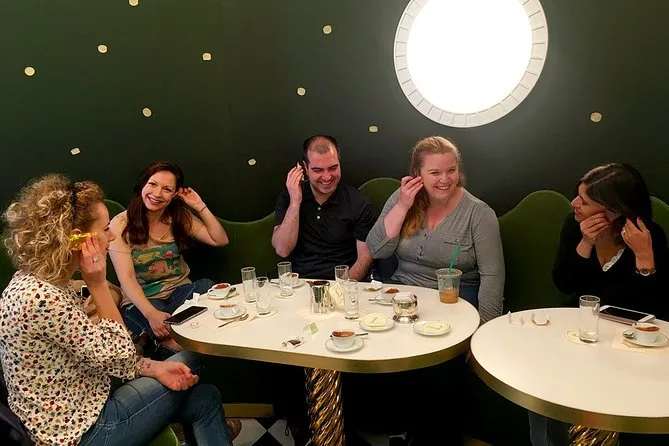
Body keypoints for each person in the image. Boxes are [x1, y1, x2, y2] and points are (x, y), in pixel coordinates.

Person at [0, 174, 231, 445]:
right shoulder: (42, 299)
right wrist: (97, 283)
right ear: (78, 240)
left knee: (206, 398)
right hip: (82, 431)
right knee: (200, 353)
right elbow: (120, 354)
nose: (111, 236)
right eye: (105, 229)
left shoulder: (41, 281)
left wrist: (153, 367)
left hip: (88, 402)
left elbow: (99, 353)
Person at [530, 163, 669, 446]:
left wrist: (644, 258)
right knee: (538, 379)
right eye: (577, 195)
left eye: (584, 202)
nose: (574, 203)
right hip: (582, 328)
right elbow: (564, 283)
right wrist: (585, 243)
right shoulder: (574, 225)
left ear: (613, 211)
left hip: (628, 339)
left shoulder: (649, 236)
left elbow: (652, 308)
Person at [366, 136, 504, 323]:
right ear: (418, 173)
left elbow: (492, 280)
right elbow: (377, 250)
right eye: (435, 172)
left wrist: (484, 331)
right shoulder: (403, 197)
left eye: (451, 170)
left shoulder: (479, 213)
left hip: (455, 302)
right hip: (404, 296)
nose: (445, 179)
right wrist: (402, 206)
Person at [109, 161, 228, 353]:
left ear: (174, 195)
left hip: (180, 293)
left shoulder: (179, 217)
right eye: (152, 184)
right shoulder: (121, 224)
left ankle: (164, 340)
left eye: (167, 189)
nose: (157, 194)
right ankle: (172, 343)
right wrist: (151, 314)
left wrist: (199, 206)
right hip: (143, 301)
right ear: (143, 185)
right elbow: (126, 278)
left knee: (206, 285)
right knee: (166, 331)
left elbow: (219, 240)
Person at [272, 135, 375, 280]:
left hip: (341, 282)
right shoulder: (289, 196)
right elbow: (282, 249)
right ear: (305, 168)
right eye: (318, 170)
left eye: (333, 168)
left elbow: (365, 258)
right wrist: (295, 202)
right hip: (299, 283)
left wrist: (343, 286)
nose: (327, 177)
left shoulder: (358, 202)